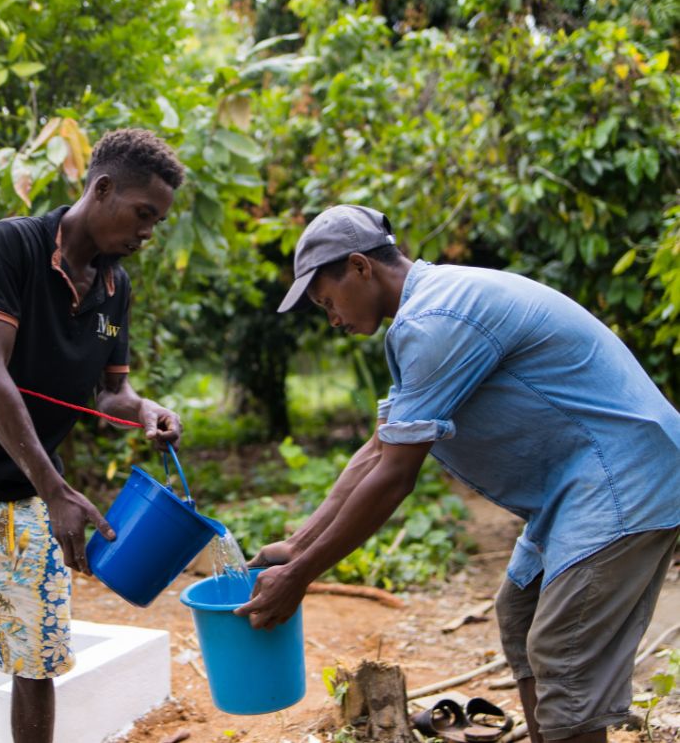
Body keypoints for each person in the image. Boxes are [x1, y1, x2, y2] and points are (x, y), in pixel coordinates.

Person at [236, 204, 680, 743]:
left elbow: (395, 476)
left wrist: (301, 575)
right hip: (578, 484)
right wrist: (298, 544)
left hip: (623, 476)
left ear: (359, 267)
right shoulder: (429, 310)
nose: (332, 318)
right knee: (520, 612)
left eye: (328, 301)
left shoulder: (436, 320)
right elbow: (379, 448)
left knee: (563, 649)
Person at [0, 128, 185, 743]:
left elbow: (110, 394)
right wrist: (56, 489)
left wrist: (144, 409)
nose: (148, 232)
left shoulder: (115, 286)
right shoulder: (11, 245)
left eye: (157, 220)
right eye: (143, 213)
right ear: (103, 189)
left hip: (29, 500)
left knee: (37, 662)